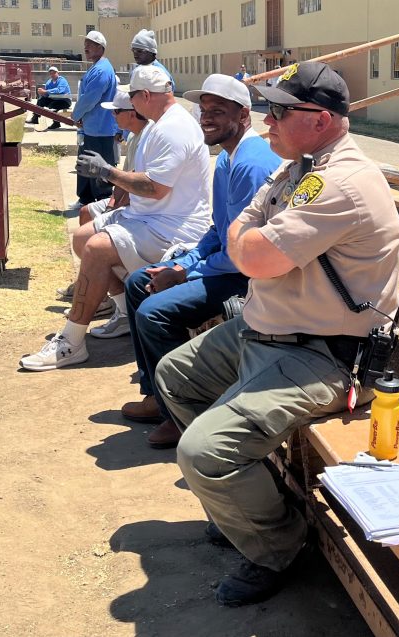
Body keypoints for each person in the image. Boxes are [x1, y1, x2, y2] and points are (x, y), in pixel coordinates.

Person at [155, 62, 399, 606]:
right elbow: (241, 229)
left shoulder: (340, 181)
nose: (268, 120)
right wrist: (247, 238)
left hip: (322, 354)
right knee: (175, 375)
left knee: (203, 453)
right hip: (267, 329)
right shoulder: (299, 168)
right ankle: (246, 504)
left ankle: (279, 547)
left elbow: (254, 256)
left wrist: (248, 239)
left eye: (280, 111)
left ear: (321, 119)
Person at [119, 74, 281, 449]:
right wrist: (186, 261)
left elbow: (242, 254)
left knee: (153, 313)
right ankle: (156, 395)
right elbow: (219, 229)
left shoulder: (251, 164)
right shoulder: (226, 158)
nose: (206, 118)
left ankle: (182, 414)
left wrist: (184, 273)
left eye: (218, 111)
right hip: (226, 263)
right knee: (137, 283)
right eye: (204, 110)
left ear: (244, 115)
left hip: (247, 276)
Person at [20, 65, 211, 371]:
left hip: (172, 227)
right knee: (82, 238)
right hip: (150, 217)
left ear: (144, 95)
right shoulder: (159, 124)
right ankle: (125, 313)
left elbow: (155, 188)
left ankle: (71, 342)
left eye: (131, 97)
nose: (129, 103)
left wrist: (106, 172)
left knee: (97, 248)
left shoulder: (173, 128)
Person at [55, 86, 152, 306]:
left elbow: (136, 184)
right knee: (85, 212)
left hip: (140, 207)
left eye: (116, 111)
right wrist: (111, 203)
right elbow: (125, 177)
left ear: (131, 113)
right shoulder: (134, 136)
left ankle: (107, 297)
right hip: (126, 199)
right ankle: (90, 279)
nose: (112, 116)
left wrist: (112, 209)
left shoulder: (146, 138)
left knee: (91, 236)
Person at [73, 30, 119, 205]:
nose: (86, 47)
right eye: (85, 44)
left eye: (90, 44)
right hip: (92, 126)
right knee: (85, 163)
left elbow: (90, 98)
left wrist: (76, 115)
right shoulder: (97, 67)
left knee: (99, 167)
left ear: (101, 48)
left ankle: (102, 201)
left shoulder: (101, 70)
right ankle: (85, 198)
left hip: (100, 128)